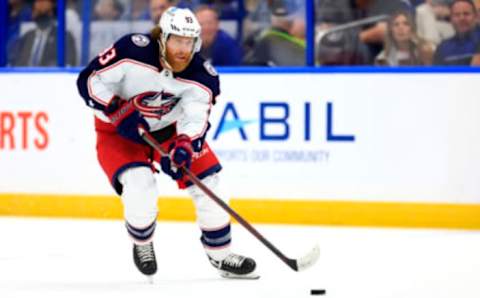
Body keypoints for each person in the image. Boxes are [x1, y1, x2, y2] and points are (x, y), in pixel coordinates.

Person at [76, 6, 257, 279]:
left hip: (169, 131)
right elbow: (89, 80)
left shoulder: (203, 76)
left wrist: (185, 144)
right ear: (163, 37)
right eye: (178, 41)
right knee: (140, 185)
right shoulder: (132, 51)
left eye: (189, 42)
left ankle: (221, 256)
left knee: (209, 183)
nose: (184, 49)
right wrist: (116, 108)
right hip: (118, 130)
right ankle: (142, 242)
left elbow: (196, 118)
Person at [11, 0, 77, 66]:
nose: (40, 4)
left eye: (45, 11)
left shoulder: (64, 37)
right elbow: (15, 63)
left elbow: (69, 64)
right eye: (36, 11)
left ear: (51, 12)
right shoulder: (27, 37)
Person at [244, 0, 305, 66]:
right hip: (262, 40)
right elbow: (247, 25)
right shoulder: (262, 4)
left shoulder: (294, 4)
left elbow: (287, 23)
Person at [433, 0, 480, 65]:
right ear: (451, 19)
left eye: (466, 14)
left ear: (476, 17)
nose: (462, 18)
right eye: (457, 15)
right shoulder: (443, 48)